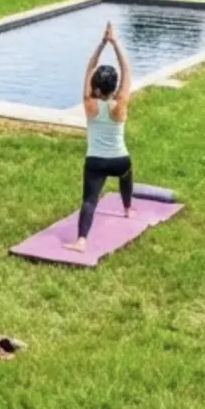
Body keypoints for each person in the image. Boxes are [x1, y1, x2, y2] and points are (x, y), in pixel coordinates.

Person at [64, 22, 134, 253]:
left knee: (89, 200)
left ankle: (81, 241)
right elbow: (127, 71)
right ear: (114, 87)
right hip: (118, 161)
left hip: (95, 162)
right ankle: (127, 207)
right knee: (126, 173)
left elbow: (89, 68)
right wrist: (115, 43)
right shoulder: (120, 105)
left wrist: (101, 43)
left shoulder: (89, 104)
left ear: (94, 85)